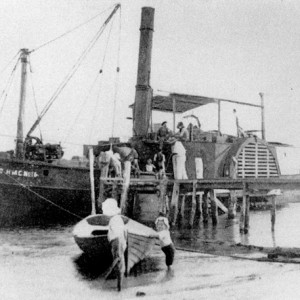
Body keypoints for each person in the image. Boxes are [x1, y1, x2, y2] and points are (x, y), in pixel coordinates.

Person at [102, 198, 127, 292]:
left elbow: (117, 236)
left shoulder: (114, 220)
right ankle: (119, 288)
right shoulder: (117, 218)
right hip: (119, 243)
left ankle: (119, 289)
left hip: (117, 243)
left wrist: (117, 250)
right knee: (120, 265)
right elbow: (124, 233)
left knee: (119, 265)